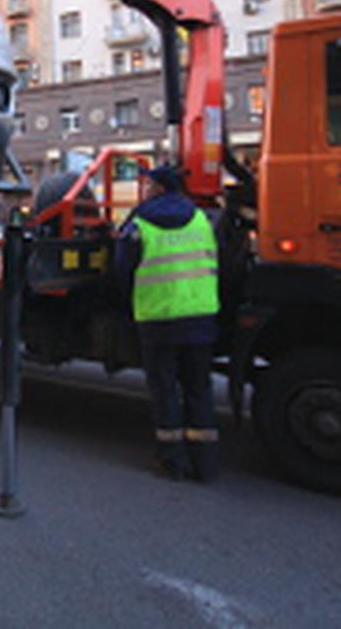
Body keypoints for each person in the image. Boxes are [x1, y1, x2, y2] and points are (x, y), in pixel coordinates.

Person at [116, 163, 221, 481]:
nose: (146, 190)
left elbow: (123, 268)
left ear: (159, 188)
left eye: (149, 185)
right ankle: (204, 464)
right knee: (199, 390)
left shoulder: (141, 221)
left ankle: (171, 460)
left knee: (164, 391)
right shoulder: (202, 218)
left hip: (159, 319)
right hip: (201, 316)